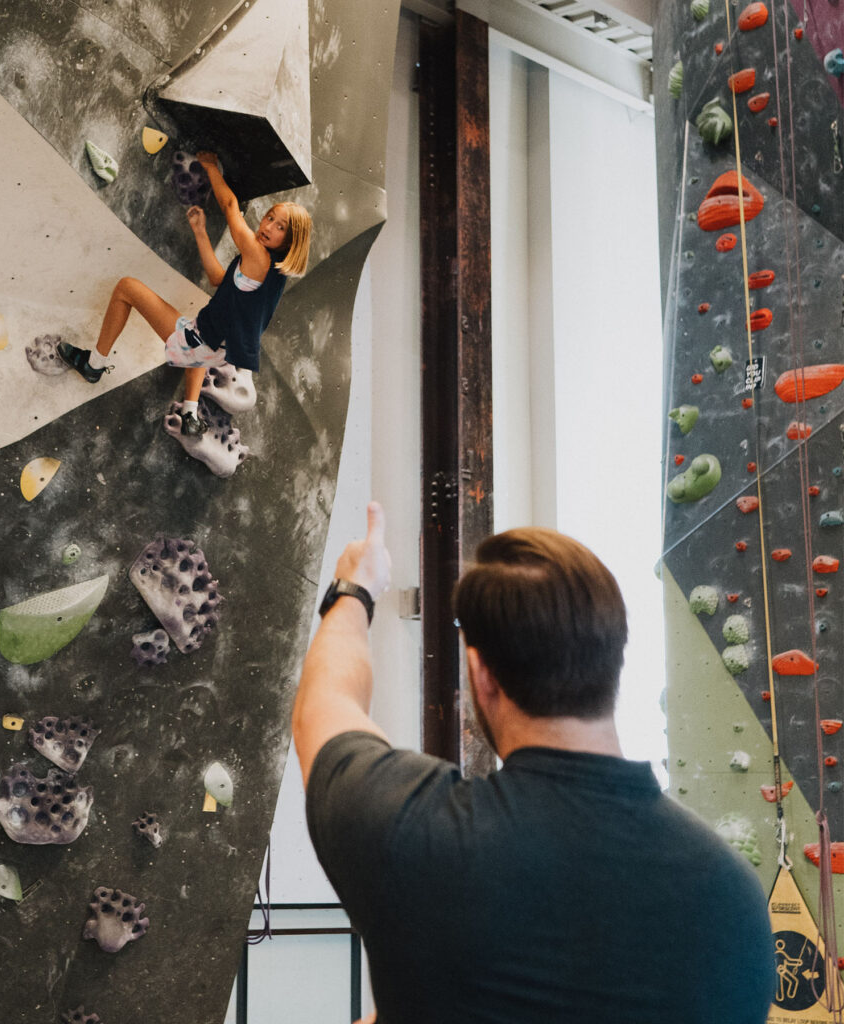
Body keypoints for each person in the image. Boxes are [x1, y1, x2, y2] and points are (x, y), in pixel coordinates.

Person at [293, 503, 776, 1024]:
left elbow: (326, 704)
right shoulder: (735, 901)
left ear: (482, 673)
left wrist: (355, 588)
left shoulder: (415, 836)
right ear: (613, 658)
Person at [58, 152, 311, 437]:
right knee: (199, 334)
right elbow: (218, 279)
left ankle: (93, 364)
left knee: (126, 288)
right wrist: (201, 232)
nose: (267, 227)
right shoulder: (273, 273)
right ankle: (190, 413)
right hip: (219, 350)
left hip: (201, 343)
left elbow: (229, 206)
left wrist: (210, 166)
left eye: (280, 228)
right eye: (269, 217)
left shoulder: (258, 256)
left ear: (290, 241)